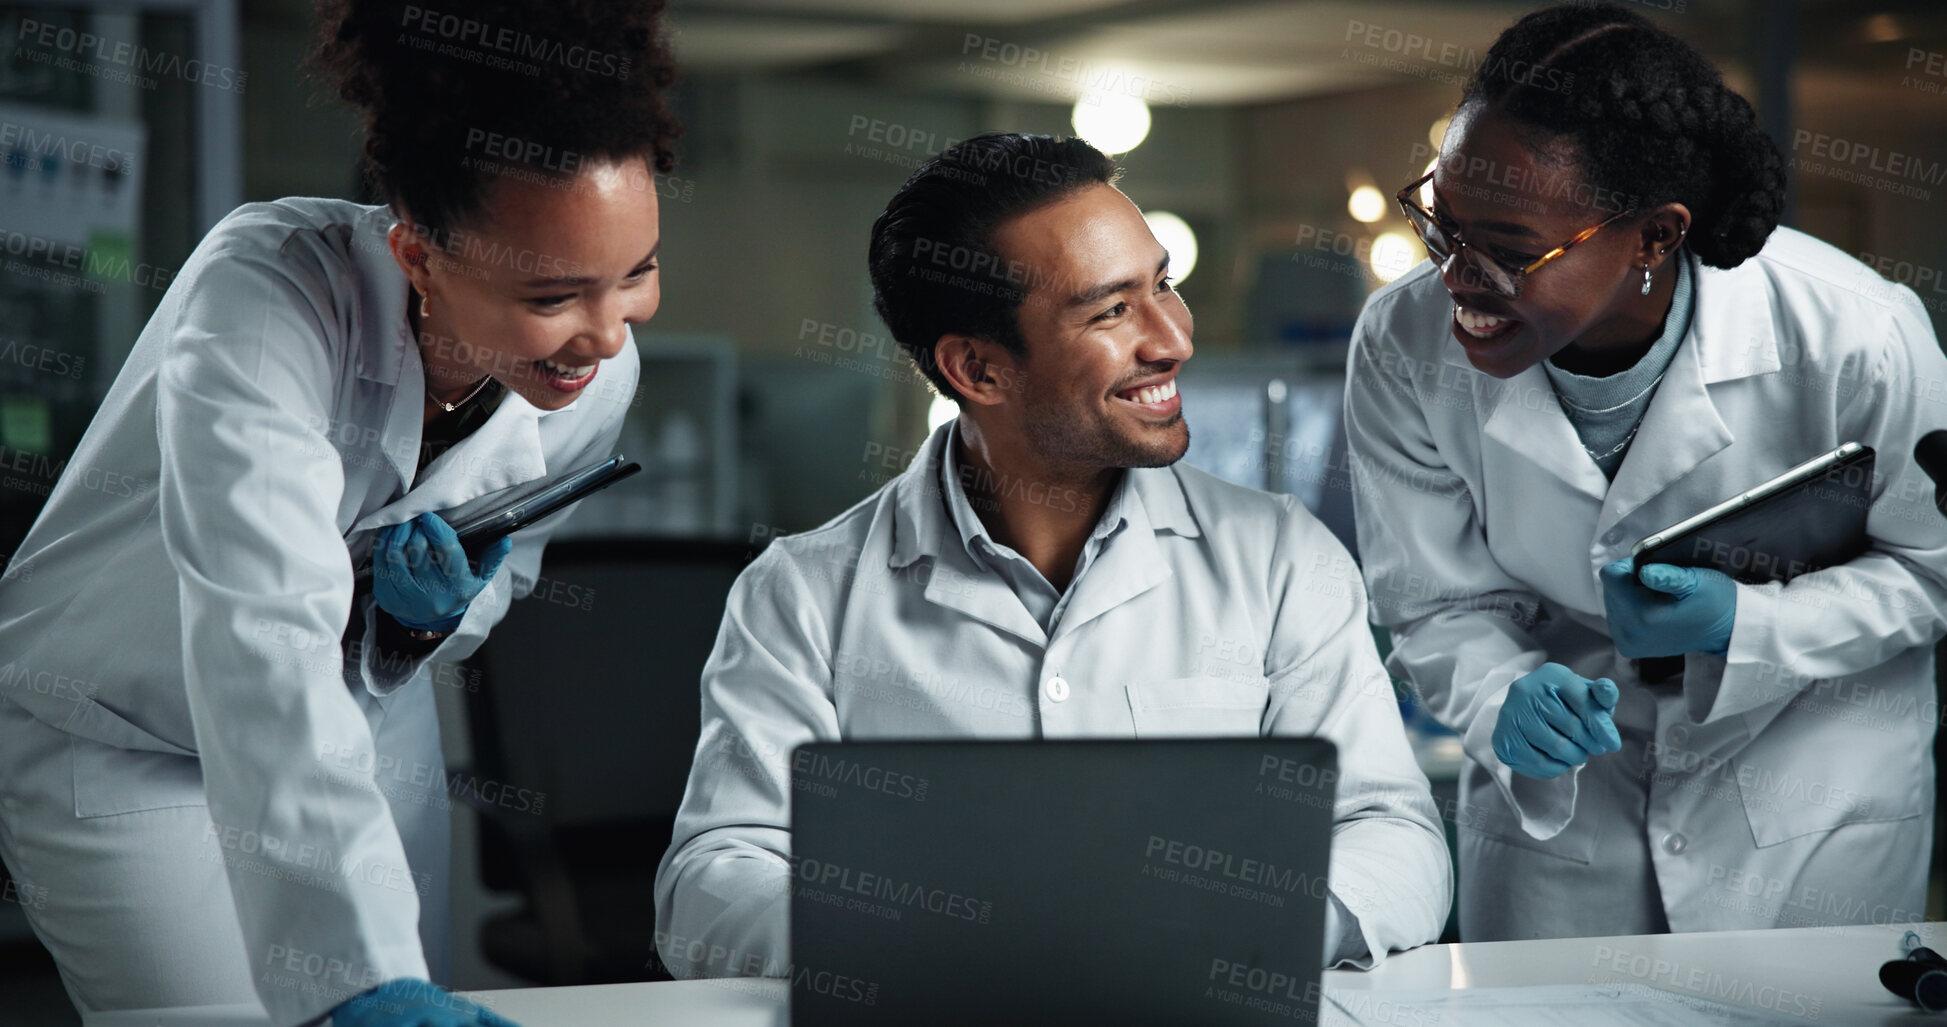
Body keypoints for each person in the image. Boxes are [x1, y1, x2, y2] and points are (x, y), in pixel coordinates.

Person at [0, 1, 679, 1022]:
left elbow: (507, 569)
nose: (604, 335)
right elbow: (261, 623)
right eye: (553, 298)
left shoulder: (596, 381)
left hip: (362, 722)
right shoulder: (267, 292)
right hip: (122, 731)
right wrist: (358, 982)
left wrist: (430, 619)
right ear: (419, 258)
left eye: (638, 275)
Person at [655, 132, 1450, 979]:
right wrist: (931, 952)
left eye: (1162, 285)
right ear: (977, 369)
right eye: (1110, 310)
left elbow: (1394, 834)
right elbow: (711, 883)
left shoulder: (1279, 556)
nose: (1173, 338)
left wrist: (1246, 934)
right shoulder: (804, 592)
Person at [1345, 1, 1947, 943]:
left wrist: (1749, 624)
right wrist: (1504, 692)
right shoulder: (1402, 342)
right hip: (1566, 816)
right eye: (1440, 223)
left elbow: (1930, 568)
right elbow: (1431, 602)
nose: (1458, 279)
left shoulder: (1854, 334)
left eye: (1508, 251)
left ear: (1656, 237)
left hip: (1808, 801)